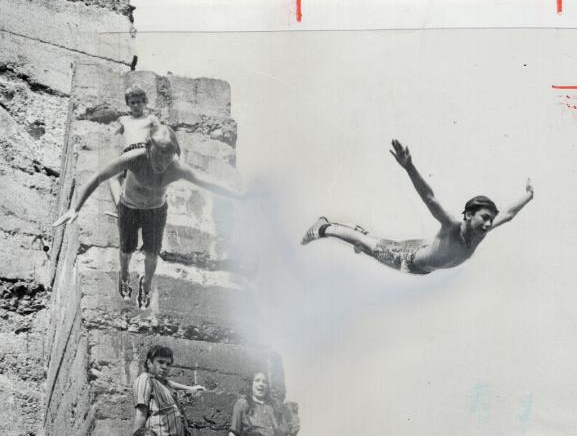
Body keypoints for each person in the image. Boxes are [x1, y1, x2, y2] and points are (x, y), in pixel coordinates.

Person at [53, 123, 244, 308]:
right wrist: (75, 209)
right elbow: (98, 176)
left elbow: (207, 181)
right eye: (157, 157)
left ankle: (146, 286)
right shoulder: (134, 159)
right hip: (129, 208)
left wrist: (239, 196)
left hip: (155, 211)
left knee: (152, 255)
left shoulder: (176, 169)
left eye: (167, 158)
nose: (162, 164)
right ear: (148, 149)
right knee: (127, 251)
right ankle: (125, 276)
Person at [301, 139, 534, 275]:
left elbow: (509, 214)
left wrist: (528, 195)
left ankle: (359, 232)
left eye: (490, 220)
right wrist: (409, 166)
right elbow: (430, 198)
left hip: (423, 259)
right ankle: (325, 226)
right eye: (484, 217)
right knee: (367, 245)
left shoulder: (482, 231)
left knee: (371, 245)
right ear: (470, 214)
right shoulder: (453, 226)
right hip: (406, 257)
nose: (489, 223)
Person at [108, 84, 161, 206]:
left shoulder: (150, 119)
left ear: (144, 102)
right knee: (113, 177)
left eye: (138, 102)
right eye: (132, 103)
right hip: (127, 154)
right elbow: (113, 133)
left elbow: (161, 133)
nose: (136, 106)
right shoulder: (124, 120)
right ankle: (121, 207)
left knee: (137, 183)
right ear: (128, 104)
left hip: (142, 151)